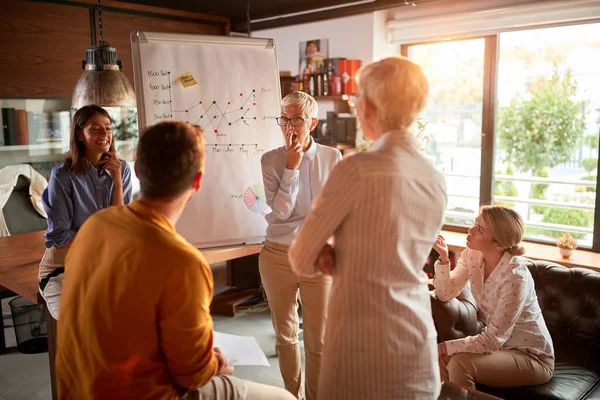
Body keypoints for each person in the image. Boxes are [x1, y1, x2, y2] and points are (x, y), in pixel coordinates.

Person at [56, 121, 294, 400]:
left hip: (76, 390)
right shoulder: (183, 263)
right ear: (197, 181)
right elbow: (193, 374)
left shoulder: (96, 225)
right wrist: (216, 363)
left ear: (140, 170)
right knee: (284, 398)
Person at [288, 56, 447, 399]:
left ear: (371, 107)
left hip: (362, 349)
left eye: (357, 98)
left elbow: (301, 257)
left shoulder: (357, 169)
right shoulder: (435, 178)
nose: (355, 106)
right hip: (417, 345)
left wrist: (324, 250)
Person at [260, 91, 342, 399]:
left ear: (313, 122)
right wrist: (291, 166)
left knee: (318, 340)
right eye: (284, 119)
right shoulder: (271, 160)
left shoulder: (332, 157)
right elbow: (281, 212)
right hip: (277, 256)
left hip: (318, 256)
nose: (289, 126)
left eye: (296, 119)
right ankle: (291, 396)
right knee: (285, 335)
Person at [433, 205, 554, 389]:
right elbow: (444, 294)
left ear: (497, 243)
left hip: (532, 357)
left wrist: (444, 347)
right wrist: (443, 258)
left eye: (479, 229)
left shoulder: (515, 278)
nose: (470, 230)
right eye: (475, 223)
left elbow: (491, 340)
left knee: (458, 363)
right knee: (441, 360)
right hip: (501, 348)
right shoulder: (473, 255)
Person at [39, 104, 132, 319]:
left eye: (108, 128)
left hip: (104, 264)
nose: (104, 134)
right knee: (81, 321)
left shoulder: (122, 170)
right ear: (80, 134)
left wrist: (117, 182)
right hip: (62, 268)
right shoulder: (62, 175)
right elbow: (61, 236)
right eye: (95, 128)